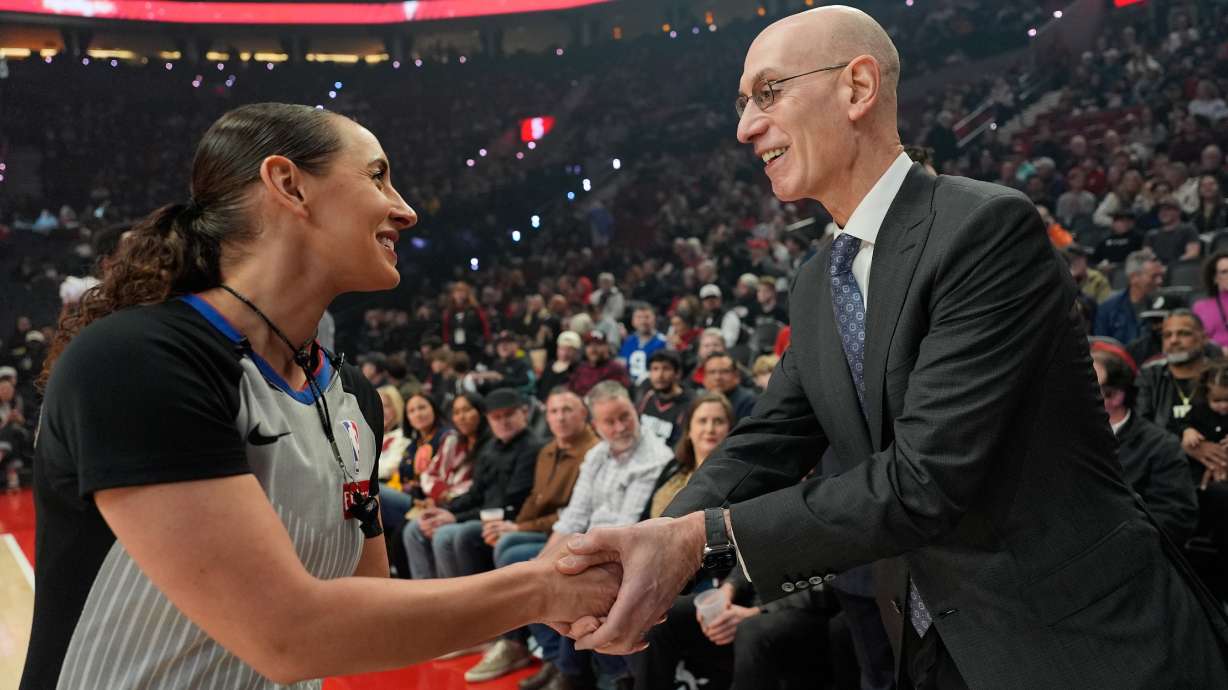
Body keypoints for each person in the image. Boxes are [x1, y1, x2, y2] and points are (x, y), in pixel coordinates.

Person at [553, 8, 1228, 689]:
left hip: (1082, 645)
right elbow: (768, 439)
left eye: (766, 93)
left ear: (857, 87)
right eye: (741, 104)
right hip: (931, 644)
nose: (744, 127)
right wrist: (647, 547)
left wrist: (700, 540)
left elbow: (925, 479)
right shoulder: (818, 280)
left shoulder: (987, 229)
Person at [21, 103, 617, 690]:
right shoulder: (138, 360)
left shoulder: (353, 396)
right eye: (378, 175)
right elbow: (285, 634)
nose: (405, 210)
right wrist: (543, 588)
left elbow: (369, 607)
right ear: (289, 184)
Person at [532, 382, 674, 690]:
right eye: (609, 422)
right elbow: (574, 514)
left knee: (567, 577)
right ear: (595, 425)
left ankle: (581, 674)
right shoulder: (596, 454)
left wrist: (562, 558)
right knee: (521, 561)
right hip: (585, 539)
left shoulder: (656, 457)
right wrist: (540, 563)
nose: (621, 427)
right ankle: (557, 661)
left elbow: (626, 527)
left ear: (636, 412)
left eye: (625, 416)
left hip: (625, 548)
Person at [464, 388, 601, 684]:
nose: (560, 417)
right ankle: (535, 650)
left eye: (568, 410)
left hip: (579, 534)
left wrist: (518, 528)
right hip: (550, 529)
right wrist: (514, 526)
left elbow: (575, 515)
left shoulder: (593, 452)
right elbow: (534, 502)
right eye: (554, 411)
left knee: (512, 552)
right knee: (503, 543)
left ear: (585, 414)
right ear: (546, 416)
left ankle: (529, 647)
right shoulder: (548, 450)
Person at [403, 388, 544, 580]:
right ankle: (426, 594)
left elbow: (510, 503)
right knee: (416, 526)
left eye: (509, 415)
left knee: (448, 534)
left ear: (524, 413)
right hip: (483, 513)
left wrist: (455, 518)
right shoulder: (491, 448)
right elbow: (475, 493)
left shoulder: (532, 448)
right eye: (496, 417)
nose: (503, 422)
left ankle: (460, 600)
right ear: (489, 419)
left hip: (506, 517)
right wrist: (447, 511)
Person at [1091, 346, 1199, 544]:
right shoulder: (1064, 439)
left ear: (1115, 396)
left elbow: (1176, 518)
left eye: (1085, 387)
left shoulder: (1160, 446)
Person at [1094, 249, 1165, 345]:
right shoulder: (1108, 309)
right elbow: (1101, 347)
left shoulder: (1166, 305)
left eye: (1161, 276)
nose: (1160, 281)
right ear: (1134, 278)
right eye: (1154, 276)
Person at [636, 349, 693, 447]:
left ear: (677, 373)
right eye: (655, 369)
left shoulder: (689, 403)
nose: (660, 375)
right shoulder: (646, 394)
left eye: (666, 369)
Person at [618, 303, 668, 386]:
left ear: (654, 319)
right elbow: (621, 364)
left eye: (647, 317)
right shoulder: (628, 341)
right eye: (639, 317)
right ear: (632, 321)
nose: (643, 321)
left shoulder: (663, 342)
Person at [570, 330, 631, 398]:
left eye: (598, 344)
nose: (593, 349)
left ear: (606, 347)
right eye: (589, 345)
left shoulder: (616, 369)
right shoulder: (580, 369)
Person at [1143, 197, 1201, 265]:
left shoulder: (1188, 229)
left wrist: (1171, 267)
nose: (1163, 213)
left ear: (1178, 211)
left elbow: (1193, 254)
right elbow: (1146, 254)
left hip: (1180, 270)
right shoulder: (1151, 234)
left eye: (1168, 209)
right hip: (1156, 270)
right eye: (1160, 210)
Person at [701, 353, 757, 422]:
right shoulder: (699, 401)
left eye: (724, 371)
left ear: (736, 375)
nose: (717, 377)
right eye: (712, 372)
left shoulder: (749, 401)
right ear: (704, 377)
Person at [1192, 251, 1228, 350]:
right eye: (1224, 272)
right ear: (1215, 278)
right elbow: (1197, 341)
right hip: (1214, 360)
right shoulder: (1201, 307)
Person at [538, 331, 583, 401]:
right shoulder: (550, 365)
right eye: (562, 349)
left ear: (576, 351)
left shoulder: (578, 369)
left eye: (569, 350)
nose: (564, 353)